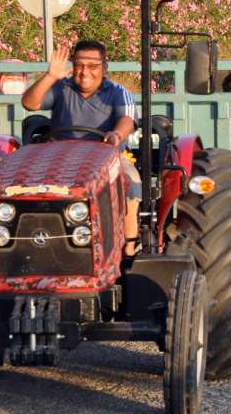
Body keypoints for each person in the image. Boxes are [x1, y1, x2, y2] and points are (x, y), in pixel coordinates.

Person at [21, 39, 141, 255]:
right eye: (79, 65)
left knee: (130, 182)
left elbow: (127, 120)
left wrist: (116, 134)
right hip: (61, 158)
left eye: (92, 66)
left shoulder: (118, 92)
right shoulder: (60, 89)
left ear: (104, 68)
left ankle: (128, 251)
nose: (85, 72)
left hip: (107, 157)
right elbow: (30, 103)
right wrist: (50, 76)